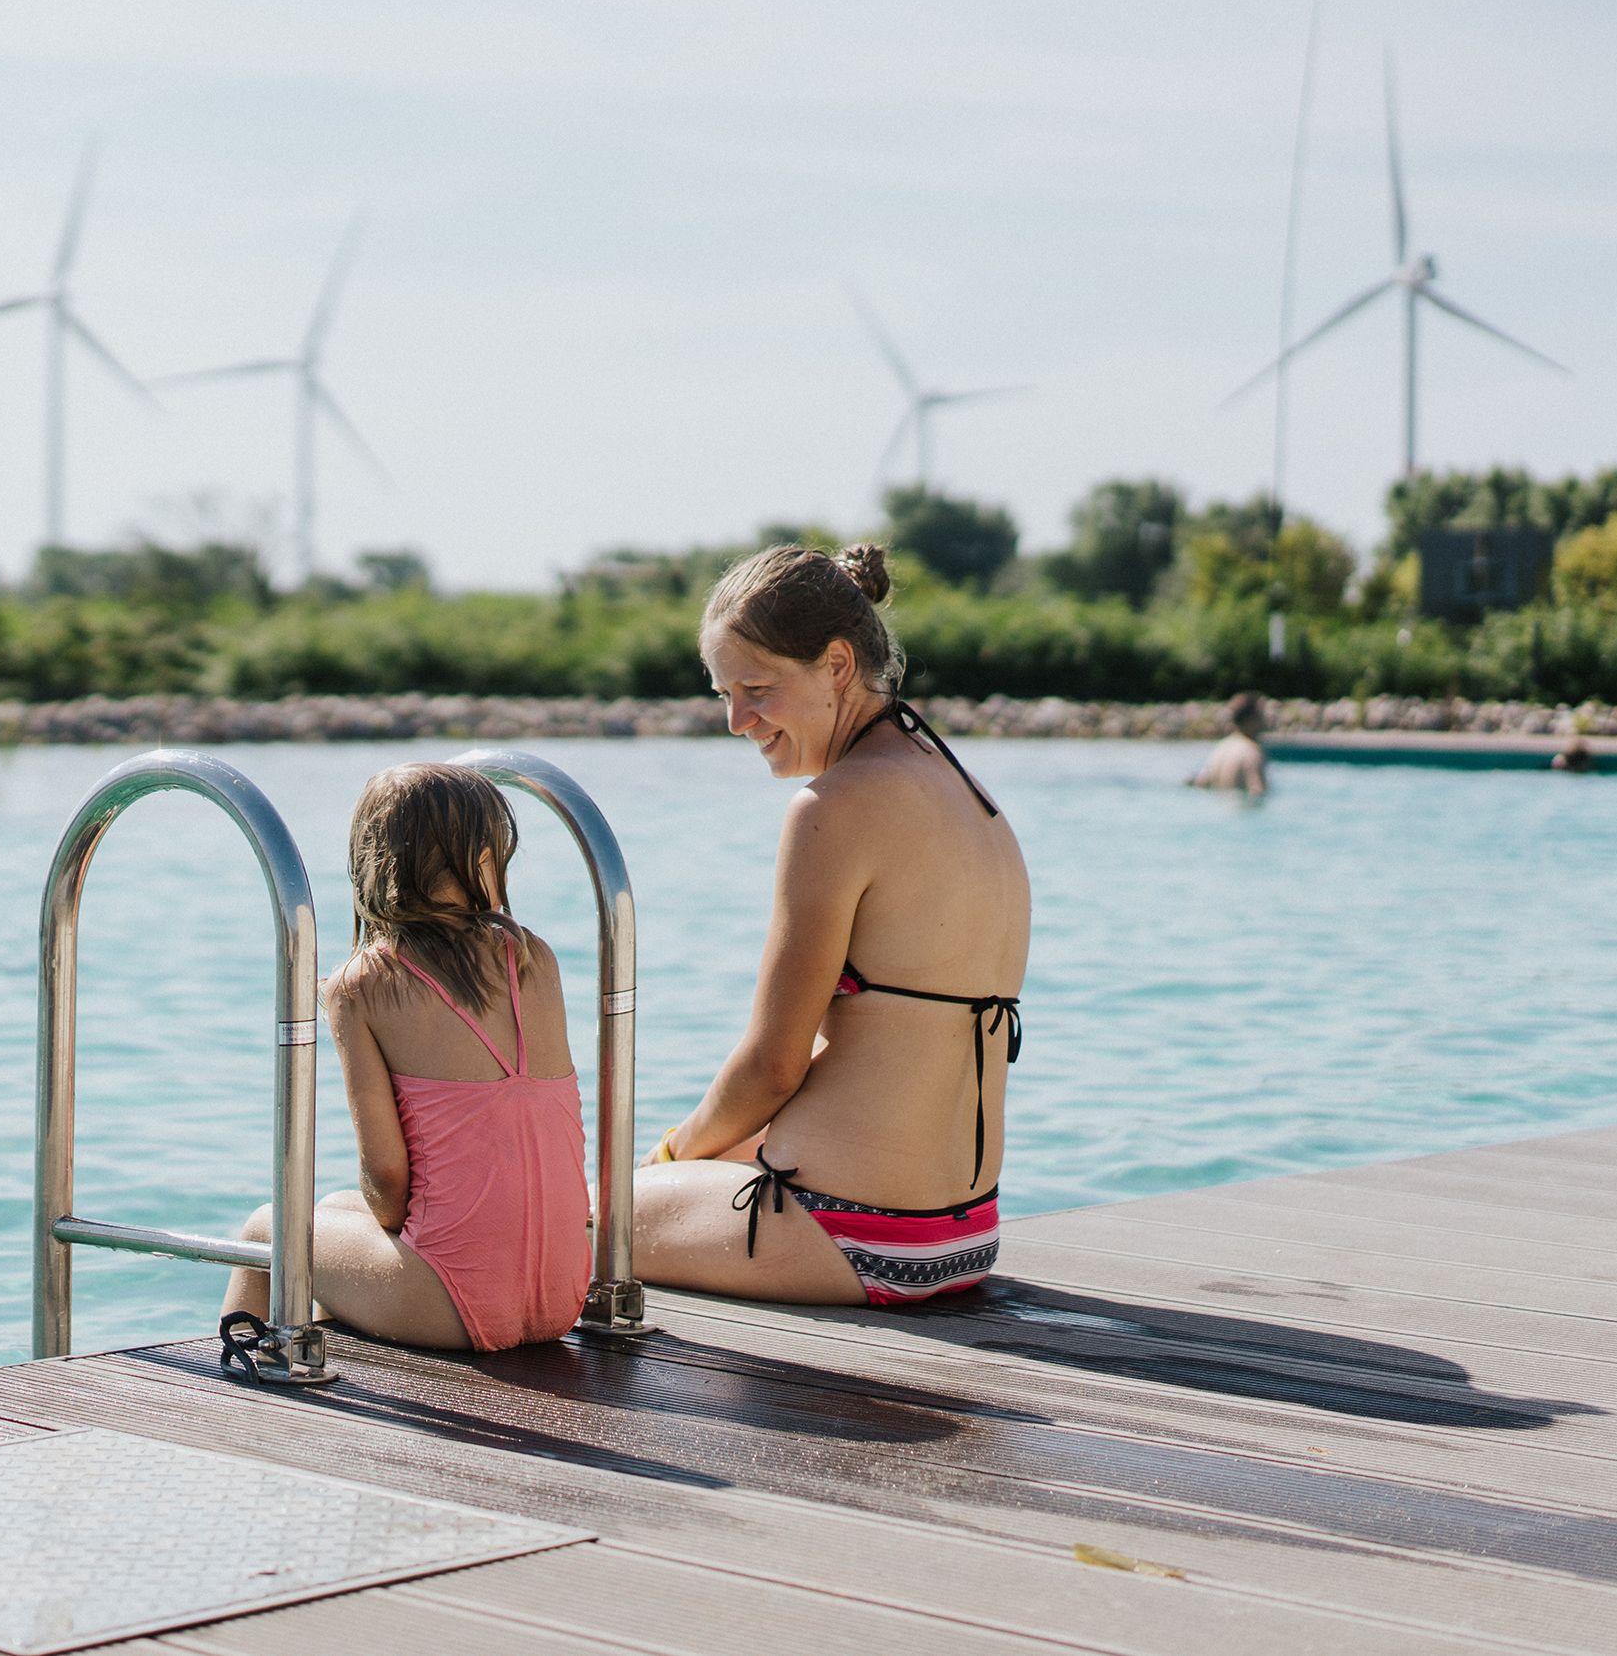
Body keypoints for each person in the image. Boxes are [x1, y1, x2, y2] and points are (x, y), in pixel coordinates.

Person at [632, 543, 1030, 1307]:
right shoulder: (967, 793)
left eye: (756, 689)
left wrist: (665, 1159)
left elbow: (771, 1067)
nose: (735, 720)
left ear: (837, 666)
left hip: (849, 1230)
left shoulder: (832, 808)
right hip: (962, 1235)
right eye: (723, 694)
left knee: (570, 1217)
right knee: (691, 1170)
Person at [221, 764, 590, 1351]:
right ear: (486, 863)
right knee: (336, 1209)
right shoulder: (535, 959)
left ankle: (239, 1383)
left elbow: (389, 1182)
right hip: (562, 1293)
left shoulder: (363, 986)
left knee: (269, 1228)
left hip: (457, 1304)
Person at [1190, 691, 1270, 796]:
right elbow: (1257, 792)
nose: (1267, 717)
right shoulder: (1252, 752)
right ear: (1252, 719)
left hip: (1218, 804)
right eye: (1262, 713)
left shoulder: (1222, 747)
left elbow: (1200, 783)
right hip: (1241, 806)